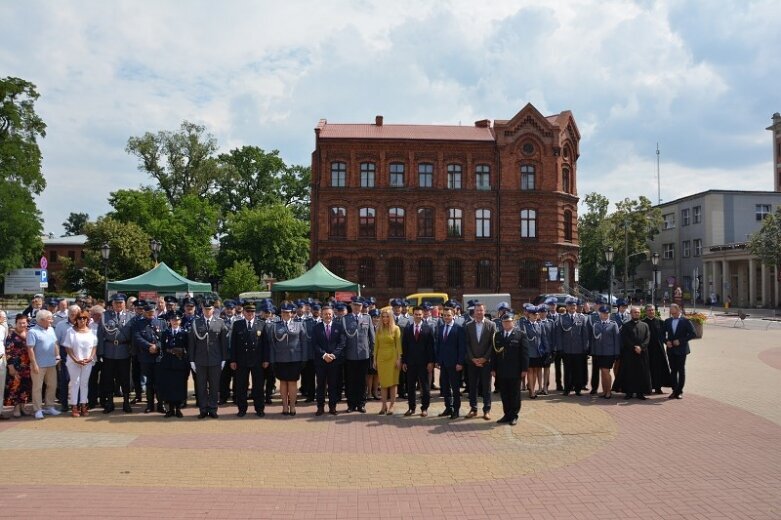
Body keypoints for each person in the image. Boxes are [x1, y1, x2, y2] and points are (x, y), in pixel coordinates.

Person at [188, 299, 228, 419]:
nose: (208, 311)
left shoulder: (220, 322)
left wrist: (223, 359)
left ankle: (213, 408)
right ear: (202, 309)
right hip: (200, 360)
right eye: (205, 309)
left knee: (214, 386)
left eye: (210, 309)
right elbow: (192, 343)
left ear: (213, 309)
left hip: (215, 360)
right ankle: (203, 409)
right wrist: (192, 360)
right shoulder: (196, 323)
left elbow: (223, 343)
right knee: (201, 386)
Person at [267, 303, 308, 416]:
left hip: (295, 358)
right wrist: (272, 360)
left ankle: (293, 406)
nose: (286, 314)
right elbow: (272, 344)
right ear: (281, 313)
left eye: (288, 312)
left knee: (293, 382)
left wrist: (304, 358)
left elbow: (304, 342)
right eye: (284, 312)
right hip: (280, 359)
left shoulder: (299, 325)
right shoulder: (275, 326)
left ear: (292, 314)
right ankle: (285, 406)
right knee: (283, 383)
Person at [229, 303, 269, 417]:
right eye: (248, 312)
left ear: (255, 313)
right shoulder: (237, 324)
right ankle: (242, 409)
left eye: (252, 312)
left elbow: (265, 344)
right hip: (242, 360)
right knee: (241, 385)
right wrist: (233, 360)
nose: (250, 314)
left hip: (257, 360)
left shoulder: (261, 324)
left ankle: (259, 408)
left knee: (258, 386)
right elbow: (233, 344)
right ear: (244, 313)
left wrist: (266, 359)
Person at [98, 294, 133, 413]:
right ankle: (109, 402)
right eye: (116, 303)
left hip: (124, 351)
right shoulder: (105, 316)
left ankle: (126, 402)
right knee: (108, 378)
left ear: (124, 304)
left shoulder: (130, 316)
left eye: (121, 303)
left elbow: (133, 336)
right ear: (112, 304)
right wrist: (101, 353)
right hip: (109, 351)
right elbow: (100, 334)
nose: (119, 305)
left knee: (125, 378)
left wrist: (132, 351)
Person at [492, 314, 529, 426]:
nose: (507, 323)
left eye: (509, 321)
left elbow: (525, 354)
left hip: (515, 370)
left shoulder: (520, 335)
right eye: (504, 322)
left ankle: (514, 416)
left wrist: (524, 369)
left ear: (513, 322)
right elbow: (494, 354)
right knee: (504, 394)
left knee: (515, 394)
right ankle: (506, 414)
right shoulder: (497, 335)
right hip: (501, 370)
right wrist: (493, 368)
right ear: (501, 323)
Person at [26, 309, 61, 419]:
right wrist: (34, 364)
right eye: (49, 318)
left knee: (52, 385)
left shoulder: (51, 329)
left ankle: (49, 407)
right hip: (38, 365)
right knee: (37, 388)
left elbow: (55, 343)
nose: (51, 320)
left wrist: (58, 356)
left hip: (51, 363)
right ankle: (37, 409)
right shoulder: (32, 332)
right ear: (41, 320)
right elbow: (30, 349)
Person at [401, 306, 435, 417]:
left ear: (423, 315)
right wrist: (404, 361)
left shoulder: (428, 329)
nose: (418, 316)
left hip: (424, 363)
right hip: (410, 363)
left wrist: (431, 362)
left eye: (420, 314)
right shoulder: (408, 329)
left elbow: (431, 347)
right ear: (413, 315)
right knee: (410, 387)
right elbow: (404, 347)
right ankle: (411, 408)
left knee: (425, 387)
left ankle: (424, 408)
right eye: (416, 314)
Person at [61, 310, 97, 417]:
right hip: (74, 362)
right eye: (80, 318)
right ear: (76, 320)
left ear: (87, 320)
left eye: (84, 318)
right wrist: (76, 359)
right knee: (75, 383)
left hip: (88, 362)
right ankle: (74, 406)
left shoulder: (92, 331)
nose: (82, 320)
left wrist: (90, 358)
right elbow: (67, 347)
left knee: (84, 383)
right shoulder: (70, 331)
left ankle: (83, 405)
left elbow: (94, 346)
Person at [464, 302, 496, 420]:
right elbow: (466, 344)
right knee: (472, 386)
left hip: (486, 362)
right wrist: (473, 358)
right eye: (477, 310)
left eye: (481, 310)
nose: (478, 312)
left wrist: (484, 358)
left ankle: (486, 410)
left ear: (484, 311)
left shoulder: (491, 325)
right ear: (474, 311)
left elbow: (492, 345)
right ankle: (473, 408)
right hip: (472, 362)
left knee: (486, 387)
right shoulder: (468, 325)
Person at [342, 298, 375, 414]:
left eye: (359, 305)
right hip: (350, 355)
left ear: (362, 306)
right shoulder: (345, 319)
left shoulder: (367, 318)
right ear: (351, 305)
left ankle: (361, 404)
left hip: (363, 355)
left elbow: (372, 337)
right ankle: (351, 404)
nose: (356, 307)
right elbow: (343, 338)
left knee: (362, 381)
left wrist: (372, 352)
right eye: (355, 305)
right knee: (350, 381)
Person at [133, 302, 166, 413]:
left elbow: (165, 338)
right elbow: (137, 337)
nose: (150, 314)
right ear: (144, 312)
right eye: (148, 312)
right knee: (149, 382)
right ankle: (150, 405)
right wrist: (149, 346)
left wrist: (157, 346)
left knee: (160, 382)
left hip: (159, 357)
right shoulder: (138, 323)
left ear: (155, 311)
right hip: (146, 356)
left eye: (152, 312)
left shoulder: (162, 323)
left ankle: (161, 404)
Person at [312, 306, 345, 416]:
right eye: (325, 314)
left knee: (333, 385)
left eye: (330, 314)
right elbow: (314, 344)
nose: (328, 316)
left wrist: (333, 355)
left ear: (333, 315)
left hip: (334, 362)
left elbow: (342, 343)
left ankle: (332, 407)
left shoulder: (339, 327)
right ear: (321, 315)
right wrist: (324, 355)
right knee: (320, 385)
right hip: (321, 362)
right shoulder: (316, 328)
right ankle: (320, 407)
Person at [554, 297, 589, 396]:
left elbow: (585, 334)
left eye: (574, 305)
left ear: (576, 306)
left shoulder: (581, 317)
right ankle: (567, 389)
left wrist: (585, 347)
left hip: (579, 349)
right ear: (567, 307)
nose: (572, 307)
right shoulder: (561, 318)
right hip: (567, 349)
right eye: (570, 306)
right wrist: (560, 348)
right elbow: (559, 334)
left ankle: (578, 389)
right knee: (567, 370)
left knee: (578, 369)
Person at [435, 307, 466, 419]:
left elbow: (462, 348)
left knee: (455, 388)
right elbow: (439, 346)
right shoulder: (441, 327)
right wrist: (438, 360)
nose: (446, 317)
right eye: (444, 315)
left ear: (453, 316)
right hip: (443, 363)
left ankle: (456, 410)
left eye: (448, 315)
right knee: (445, 388)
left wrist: (460, 362)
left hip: (454, 364)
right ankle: (448, 408)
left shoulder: (459, 329)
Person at [158, 312, 189, 418]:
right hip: (168, 363)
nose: (175, 322)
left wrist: (181, 351)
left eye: (177, 320)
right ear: (169, 321)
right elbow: (162, 347)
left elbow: (188, 348)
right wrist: (171, 351)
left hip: (180, 364)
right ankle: (170, 409)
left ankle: (178, 409)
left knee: (179, 387)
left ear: (180, 321)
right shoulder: (165, 333)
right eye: (173, 320)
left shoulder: (184, 333)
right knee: (169, 387)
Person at [616, 307, 652, 400]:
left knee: (641, 373)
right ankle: (629, 392)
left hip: (642, 353)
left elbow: (647, 338)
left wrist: (641, 347)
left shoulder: (645, 325)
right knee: (629, 373)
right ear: (631, 314)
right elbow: (625, 338)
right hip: (629, 353)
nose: (637, 314)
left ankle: (640, 393)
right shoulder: (626, 325)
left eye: (638, 312)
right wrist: (634, 347)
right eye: (635, 312)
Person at [663, 303, 697, 399]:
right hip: (671, 350)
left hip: (682, 349)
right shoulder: (667, 321)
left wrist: (681, 341)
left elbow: (693, 334)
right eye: (671, 312)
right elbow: (661, 334)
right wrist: (666, 341)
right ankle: (674, 390)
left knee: (681, 370)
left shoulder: (685, 321)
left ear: (678, 310)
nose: (673, 314)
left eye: (674, 311)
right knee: (673, 370)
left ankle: (680, 391)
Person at [370, 309, 400, 415]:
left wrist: (398, 359)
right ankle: (383, 406)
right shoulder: (379, 329)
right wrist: (374, 360)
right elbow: (376, 346)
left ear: (391, 317)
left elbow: (398, 345)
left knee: (392, 383)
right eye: (383, 316)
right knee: (383, 384)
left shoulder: (396, 329)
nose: (385, 318)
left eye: (387, 316)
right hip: (381, 359)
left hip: (393, 358)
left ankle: (392, 406)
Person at [589, 305, 621, 399]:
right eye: (603, 313)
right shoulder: (596, 324)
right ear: (599, 314)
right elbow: (593, 340)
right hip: (599, 353)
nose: (605, 315)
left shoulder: (613, 324)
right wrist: (593, 352)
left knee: (605, 371)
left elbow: (617, 340)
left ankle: (608, 391)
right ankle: (604, 391)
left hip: (609, 353)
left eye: (607, 313)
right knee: (602, 372)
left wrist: (616, 353)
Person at [5, 314, 33, 418]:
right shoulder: (11, 336)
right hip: (15, 366)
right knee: (15, 387)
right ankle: (16, 408)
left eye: (24, 322)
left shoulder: (30, 333)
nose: (22, 324)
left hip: (27, 366)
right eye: (20, 323)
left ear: (27, 323)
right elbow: (8, 352)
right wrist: (10, 367)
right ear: (15, 323)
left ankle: (23, 407)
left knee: (25, 386)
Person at [643, 304, 672, 395]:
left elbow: (665, 335)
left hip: (658, 349)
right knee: (647, 369)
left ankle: (658, 388)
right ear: (646, 312)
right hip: (647, 350)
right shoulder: (643, 323)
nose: (651, 312)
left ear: (655, 311)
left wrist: (667, 341)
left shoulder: (660, 322)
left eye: (652, 310)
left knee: (659, 369)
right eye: (649, 310)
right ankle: (648, 387)